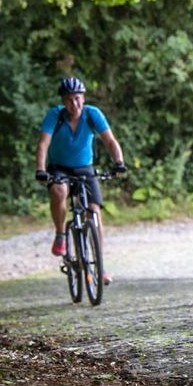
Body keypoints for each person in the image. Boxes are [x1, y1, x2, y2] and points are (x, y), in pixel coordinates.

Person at [34, 77, 127, 264]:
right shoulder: (55, 115)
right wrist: (41, 169)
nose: (73, 103)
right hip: (59, 167)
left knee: (94, 211)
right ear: (63, 101)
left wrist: (119, 162)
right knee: (58, 190)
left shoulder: (92, 114)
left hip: (84, 167)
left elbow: (110, 141)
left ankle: (99, 265)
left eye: (77, 98)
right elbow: (44, 143)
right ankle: (60, 234)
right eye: (69, 99)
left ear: (83, 98)